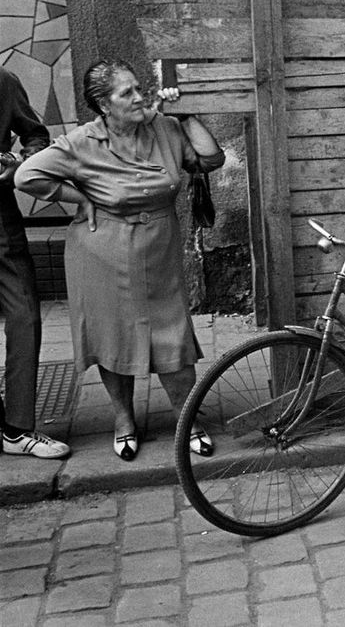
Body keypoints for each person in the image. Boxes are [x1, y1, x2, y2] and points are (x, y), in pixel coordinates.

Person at [15, 59, 225, 462]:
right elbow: (27, 176)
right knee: (113, 337)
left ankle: (188, 419)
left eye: (138, 88)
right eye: (126, 92)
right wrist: (81, 197)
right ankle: (123, 419)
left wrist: (186, 114)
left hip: (158, 248)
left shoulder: (163, 127)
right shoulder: (81, 143)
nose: (139, 97)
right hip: (101, 251)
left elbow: (211, 159)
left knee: (173, 336)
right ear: (104, 105)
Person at [0, 66, 70, 459]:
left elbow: (35, 133)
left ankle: (17, 429)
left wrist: (22, 163)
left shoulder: (3, 81)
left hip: (1, 219)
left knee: (25, 314)